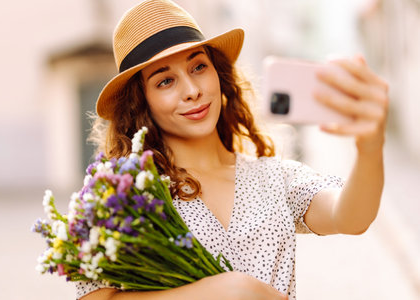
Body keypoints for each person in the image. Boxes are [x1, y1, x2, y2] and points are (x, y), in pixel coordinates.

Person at [77, 0, 389, 299]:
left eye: (198, 66)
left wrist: (370, 145)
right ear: (140, 103)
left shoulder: (275, 178)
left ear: (218, 74)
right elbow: (95, 296)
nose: (192, 90)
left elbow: (350, 216)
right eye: (165, 81)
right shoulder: (126, 198)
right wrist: (209, 294)